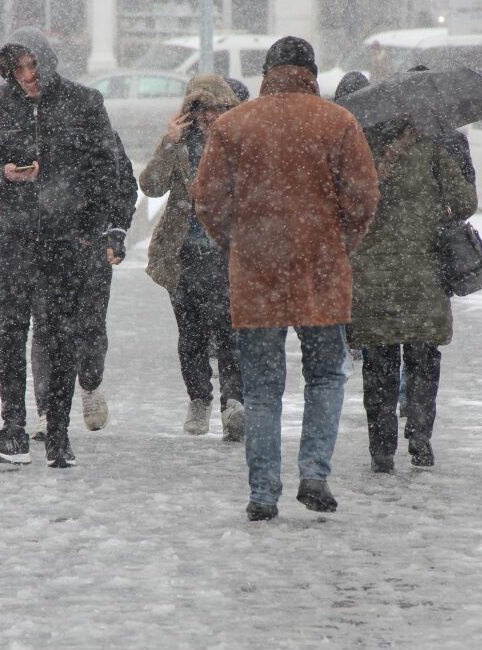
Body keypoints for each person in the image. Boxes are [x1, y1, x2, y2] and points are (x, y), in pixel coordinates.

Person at [191, 36, 381, 521]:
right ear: (313, 75)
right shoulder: (339, 122)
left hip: (257, 275)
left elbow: (208, 200)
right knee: (325, 376)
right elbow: (363, 197)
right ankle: (314, 472)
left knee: (260, 388)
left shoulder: (233, 126)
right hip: (321, 270)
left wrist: (237, 244)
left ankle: (262, 493)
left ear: (266, 74)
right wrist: (339, 243)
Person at [0, 27, 119, 468]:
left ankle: (59, 434)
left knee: (59, 330)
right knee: (11, 329)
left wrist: (93, 226)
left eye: (33, 66)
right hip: (17, 235)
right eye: (18, 68)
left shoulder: (84, 102)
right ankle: (13, 430)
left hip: (66, 236)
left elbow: (107, 167)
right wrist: (2, 177)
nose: (27, 76)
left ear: (48, 62)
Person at [348, 116, 478, 473]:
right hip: (423, 274)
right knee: (423, 358)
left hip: (373, 279)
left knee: (379, 364)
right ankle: (420, 437)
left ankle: (381, 448)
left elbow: (345, 206)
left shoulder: (361, 149)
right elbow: (465, 202)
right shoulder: (432, 146)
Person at [139, 75, 245, 442]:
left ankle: (233, 402)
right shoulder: (180, 144)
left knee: (231, 332)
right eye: (205, 110)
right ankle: (199, 399)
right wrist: (169, 143)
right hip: (184, 253)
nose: (212, 117)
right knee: (192, 334)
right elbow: (151, 186)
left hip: (228, 252)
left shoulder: (241, 141)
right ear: (192, 111)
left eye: (220, 109)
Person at [29, 132, 138, 439]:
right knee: (45, 327)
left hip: (91, 245)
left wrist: (115, 232)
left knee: (90, 324)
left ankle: (90, 385)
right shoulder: (30, 133)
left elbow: (125, 186)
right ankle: (47, 411)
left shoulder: (101, 133)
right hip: (44, 245)